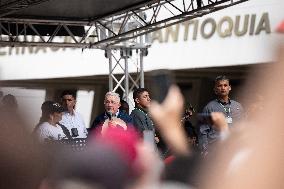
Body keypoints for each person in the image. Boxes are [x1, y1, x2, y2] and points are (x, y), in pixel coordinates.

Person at [198, 75, 244, 154]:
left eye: (225, 85)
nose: (223, 88)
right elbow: (203, 132)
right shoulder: (209, 108)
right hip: (215, 151)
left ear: (229, 87)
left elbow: (243, 127)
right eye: (219, 86)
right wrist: (205, 151)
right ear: (215, 89)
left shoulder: (238, 106)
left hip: (235, 150)